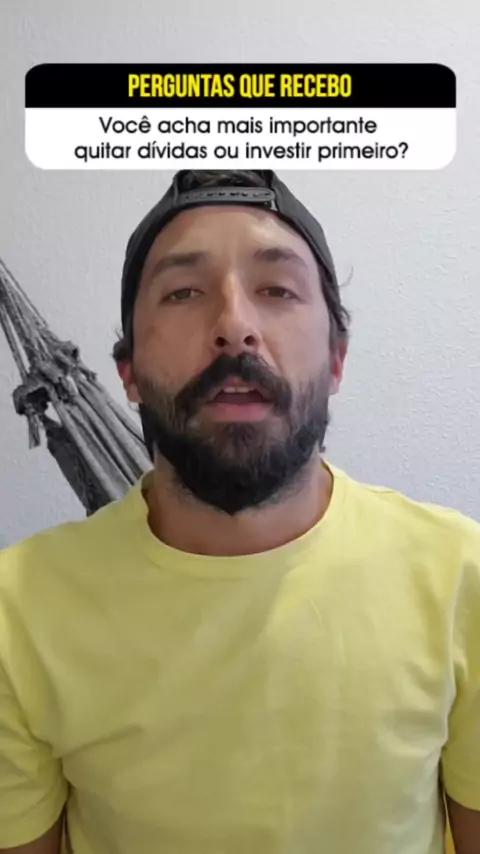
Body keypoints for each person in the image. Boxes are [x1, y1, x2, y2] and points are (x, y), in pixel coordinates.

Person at [0, 169, 478, 854]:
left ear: (337, 360)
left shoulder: (462, 579)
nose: (234, 326)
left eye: (277, 289)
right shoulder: (16, 614)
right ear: (128, 372)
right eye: (183, 292)